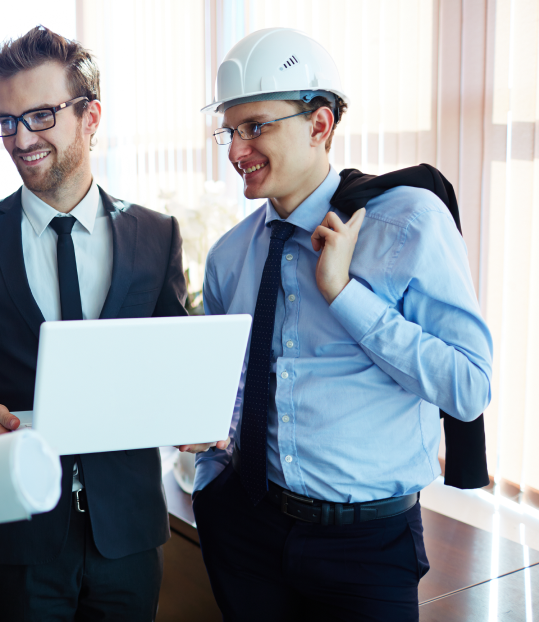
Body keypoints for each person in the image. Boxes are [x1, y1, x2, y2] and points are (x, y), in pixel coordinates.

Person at [182, 27, 494, 621]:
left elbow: (469, 386)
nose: (235, 150)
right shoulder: (229, 256)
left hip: (368, 548)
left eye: (256, 127)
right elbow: (228, 394)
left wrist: (346, 295)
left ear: (320, 125)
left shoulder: (408, 221)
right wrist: (209, 477)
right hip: (247, 534)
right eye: (230, 130)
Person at [0, 26, 189, 622]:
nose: (20, 138)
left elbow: (175, 360)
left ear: (91, 116)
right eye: (6, 120)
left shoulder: (156, 235)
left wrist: (194, 412)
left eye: (40, 116)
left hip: (129, 532)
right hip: (15, 532)